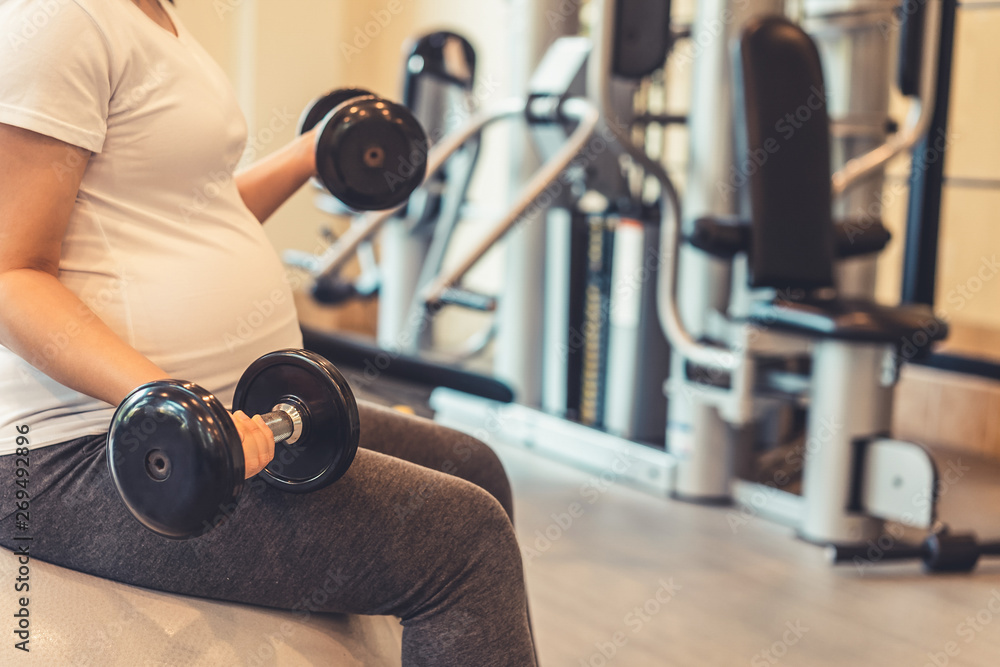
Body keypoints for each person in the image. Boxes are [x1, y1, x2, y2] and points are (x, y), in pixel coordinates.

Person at [0, 1, 537, 665]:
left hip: (219, 410)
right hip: (86, 443)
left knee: (472, 465)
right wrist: (169, 402)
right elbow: (11, 276)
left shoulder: (155, 18)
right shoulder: (62, 19)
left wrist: (312, 154)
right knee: (465, 540)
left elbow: (198, 215)